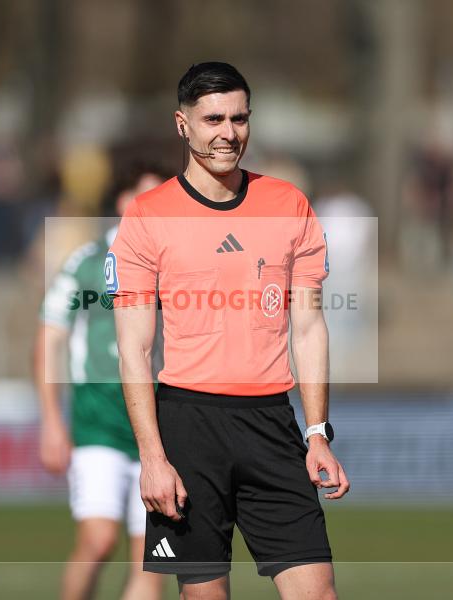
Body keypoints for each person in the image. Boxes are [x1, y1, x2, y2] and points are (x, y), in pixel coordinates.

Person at [107, 62, 349, 600]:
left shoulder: (289, 205)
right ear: (182, 124)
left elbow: (308, 327)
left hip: (272, 424)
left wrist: (316, 433)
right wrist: (153, 458)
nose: (228, 133)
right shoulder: (147, 216)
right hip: (188, 427)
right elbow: (134, 349)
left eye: (239, 118)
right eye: (213, 119)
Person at [34, 163, 168, 600]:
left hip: (162, 422)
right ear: (123, 201)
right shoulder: (88, 263)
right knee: (97, 540)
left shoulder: (178, 265)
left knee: (152, 558)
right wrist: (52, 420)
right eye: (145, 197)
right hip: (98, 418)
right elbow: (50, 338)